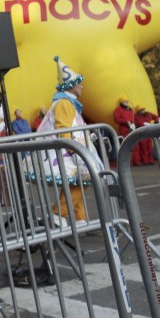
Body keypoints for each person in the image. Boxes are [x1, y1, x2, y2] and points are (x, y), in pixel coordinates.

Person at [35, 56, 104, 223]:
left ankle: (79, 217)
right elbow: (64, 129)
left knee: (79, 181)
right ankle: (58, 213)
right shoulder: (64, 103)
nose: (82, 86)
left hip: (69, 149)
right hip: (67, 151)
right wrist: (74, 149)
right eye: (79, 83)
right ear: (72, 86)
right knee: (83, 179)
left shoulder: (67, 102)